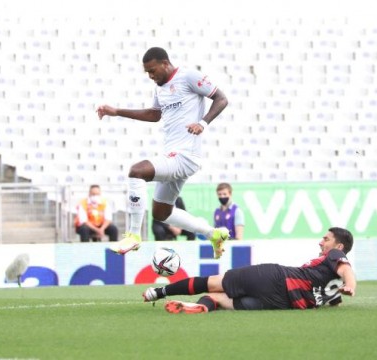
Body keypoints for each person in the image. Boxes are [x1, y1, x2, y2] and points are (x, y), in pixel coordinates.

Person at [96, 47, 230, 258]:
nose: (150, 76)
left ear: (165, 64)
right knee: (161, 213)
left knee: (137, 171)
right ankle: (213, 234)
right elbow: (154, 114)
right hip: (173, 156)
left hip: (186, 155)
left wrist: (203, 123)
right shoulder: (160, 88)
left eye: (152, 70)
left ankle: (133, 235)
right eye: (147, 72)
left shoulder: (189, 76)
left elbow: (221, 98)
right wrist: (117, 112)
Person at [142, 227, 356, 314]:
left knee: (211, 282)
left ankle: (159, 292)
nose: (321, 242)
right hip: (280, 303)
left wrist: (351, 285)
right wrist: (342, 291)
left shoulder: (334, 255)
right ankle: (198, 308)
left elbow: (346, 270)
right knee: (215, 299)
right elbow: (335, 297)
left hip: (273, 278)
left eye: (326, 239)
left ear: (338, 247)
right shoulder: (334, 292)